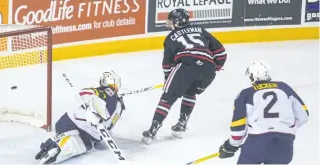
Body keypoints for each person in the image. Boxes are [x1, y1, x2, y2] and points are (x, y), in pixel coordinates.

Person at [142, 8, 227, 144]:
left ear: (175, 21)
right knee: (190, 92)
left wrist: (169, 81)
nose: (168, 23)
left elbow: (167, 65)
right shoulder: (200, 29)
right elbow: (221, 53)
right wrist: (213, 68)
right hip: (208, 69)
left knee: (167, 98)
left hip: (186, 66)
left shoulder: (170, 37)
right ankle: (181, 125)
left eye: (169, 20)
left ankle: (152, 130)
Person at [218, 61, 309, 164]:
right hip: (284, 144)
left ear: (252, 77)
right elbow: (304, 116)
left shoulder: (246, 94)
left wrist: (231, 145)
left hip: (257, 143)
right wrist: (284, 127)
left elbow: (238, 126)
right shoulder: (284, 88)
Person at [35, 70, 125, 164]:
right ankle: (61, 146)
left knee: (63, 123)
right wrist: (94, 110)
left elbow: (84, 92)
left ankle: (58, 144)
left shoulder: (107, 92)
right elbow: (110, 126)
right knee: (83, 144)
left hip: (76, 123)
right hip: (94, 136)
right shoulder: (120, 105)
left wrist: (93, 111)